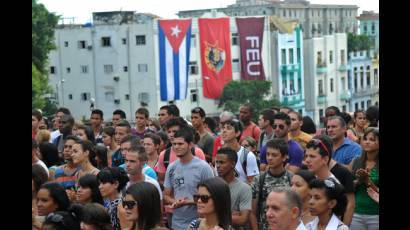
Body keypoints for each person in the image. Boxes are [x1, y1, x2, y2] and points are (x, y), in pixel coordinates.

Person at [163, 127, 214, 230]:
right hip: (177, 223)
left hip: (199, 224)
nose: (176, 147)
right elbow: (165, 196)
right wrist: (175, 201)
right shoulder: (171, 167)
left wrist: (188, 202)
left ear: (190, 145)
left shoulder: (203, 167)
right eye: (174, 144)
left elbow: (212, 198)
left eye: (180, 144)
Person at [251, 139, 293, 230]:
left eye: (274, 155)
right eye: (268, 154)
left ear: (284, 157)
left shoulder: (292, 179)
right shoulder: (258, 180)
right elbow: (252, 212)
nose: (269, 158)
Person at [155, 118, 206, 186]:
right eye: (169, 132)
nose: (171, 134)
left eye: (174, 131)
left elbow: (205, 178)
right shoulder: (164, 155)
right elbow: (161, 180)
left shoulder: (197, 152)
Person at [349, 128, 379, 230]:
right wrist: (358, 181)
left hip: (376, 214)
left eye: (372, 139)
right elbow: (348, 188)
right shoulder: (356, 161)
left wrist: (368, 181)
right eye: (365, 139)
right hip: (356, 212)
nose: (367, 142)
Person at [216, 147, 252, 230]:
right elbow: (203, 214)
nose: (218, 166)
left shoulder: (244, 188)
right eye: (217, 162)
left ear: (233, 164)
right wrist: (231, 215)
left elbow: (242, 219)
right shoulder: (211, 185)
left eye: (222, 162)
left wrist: (215, 216)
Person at [221, 119, 259, 184]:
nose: (224, 131)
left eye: (228, 128)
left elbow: (253, 184)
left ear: (237, 133)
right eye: (223, 128)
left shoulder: (248, 156)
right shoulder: (220, 154)